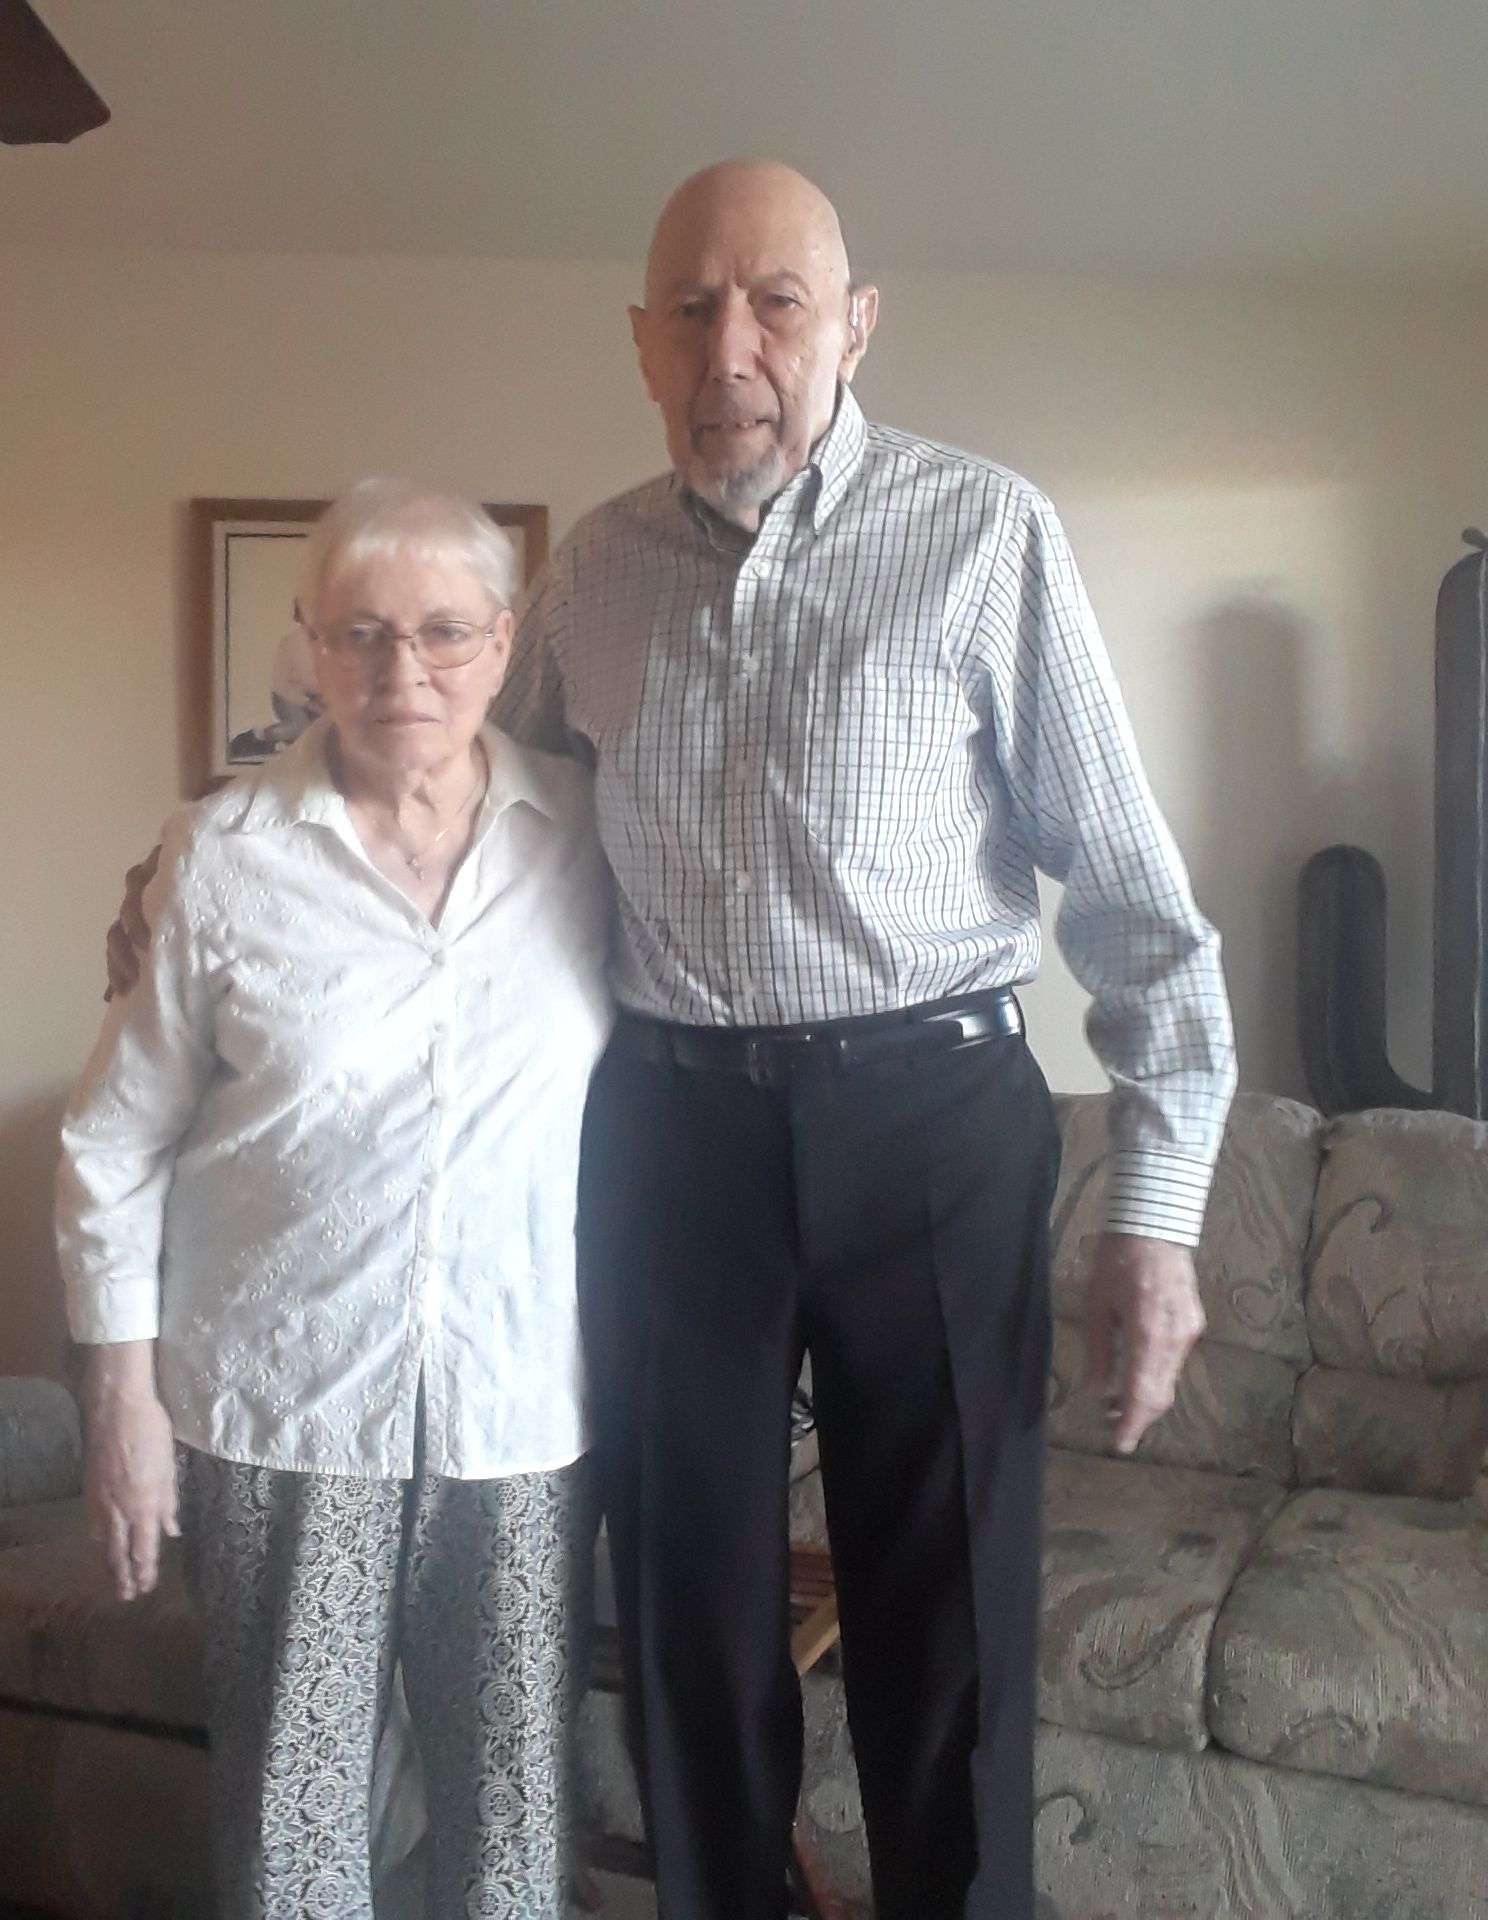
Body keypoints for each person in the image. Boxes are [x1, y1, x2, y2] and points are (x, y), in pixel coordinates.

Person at [108, 162, 1237, 1920]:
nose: (735, 348)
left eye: (778, 302)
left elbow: (1140, 912)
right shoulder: (592, 579)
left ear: (856, 327)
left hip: (932, 1118)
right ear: (642, 344)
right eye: (694, 310)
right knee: (692, 1638)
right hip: (673, 1136)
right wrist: (203, 855)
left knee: (948, 1644)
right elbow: (453, 786)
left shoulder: (986, 533)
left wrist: (1157, 1217)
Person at [60, 478, 614, 1920]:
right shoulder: (222, 858)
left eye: (441, 631)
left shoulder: (592, 841)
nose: (401, 671)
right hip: (281, 1408)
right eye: (360, 633)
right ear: (308, 644)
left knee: (511, 1819)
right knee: (293, 1825)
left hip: (522, 1409)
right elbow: (110, 1147)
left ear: (504, 644)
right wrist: (122, 1406)